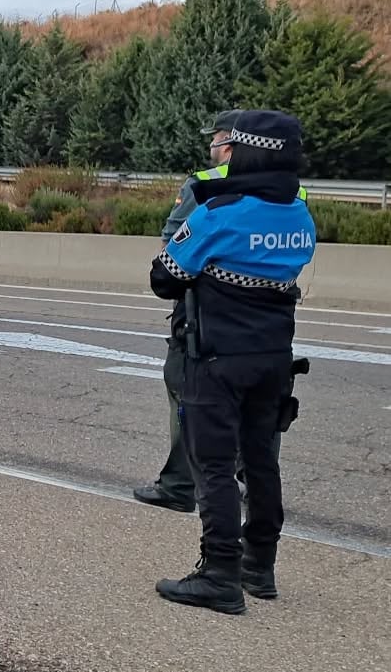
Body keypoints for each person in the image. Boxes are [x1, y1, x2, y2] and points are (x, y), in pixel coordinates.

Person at [150, 109, 316, 615]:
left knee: (215, 465)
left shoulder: (219, 211)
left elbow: (165, 276)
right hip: (274, 358)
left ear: (243, 151)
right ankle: (259, 566)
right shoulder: (299, 215)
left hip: (216, 356)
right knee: (261, 460)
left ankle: (220, 572)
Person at [133, 109, 240, 513]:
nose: (210, 147)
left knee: (182, 387)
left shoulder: (204, 185)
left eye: (215, 140)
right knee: (253, 398)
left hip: (202, 314)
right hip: (259, 321)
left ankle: (180, 484)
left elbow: (172, 249)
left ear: (228, 145)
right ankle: (245, 477)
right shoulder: (287, 191)